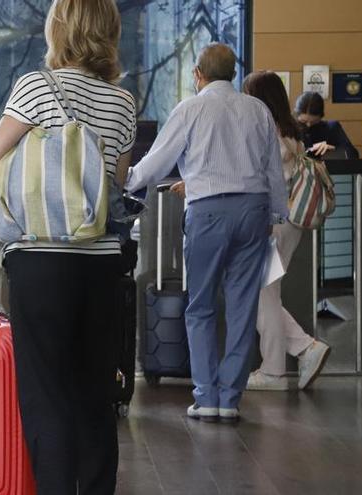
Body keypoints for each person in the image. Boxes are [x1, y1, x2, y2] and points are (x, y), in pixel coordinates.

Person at [0, 0, 135, 491]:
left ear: (58, 29)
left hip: (41, 259)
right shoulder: (122, 101)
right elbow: (113, 182)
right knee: (94, 393)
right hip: (101, 265)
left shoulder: (34, 86)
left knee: (47, 394)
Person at [124, 43, 288, 423]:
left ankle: (206, 396)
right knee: (242, 308)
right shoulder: (258, 110)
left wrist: (125, 181)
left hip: (208, 212)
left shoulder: (191, 108)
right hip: (253, 210)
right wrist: (276, 213)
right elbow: (273, 170)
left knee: (200, 306)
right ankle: (230, 400)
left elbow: (156, 162)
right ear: (232, 72)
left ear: (198, 74)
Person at [242, 72, 331, 391]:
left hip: (273, 222)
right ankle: (302, 350)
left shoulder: (269, 131)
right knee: (263, 292)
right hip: (289, 223)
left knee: (263, 294)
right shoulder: (290, 130)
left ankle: (276, 370)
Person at [294, 91, 360, 159]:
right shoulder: (290, 129)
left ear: (321, 116)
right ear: (297, 115)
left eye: (313, 122)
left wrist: (333, 149)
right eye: (303, 121)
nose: (308, 125)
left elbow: (353, 154)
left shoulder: (332, 127)